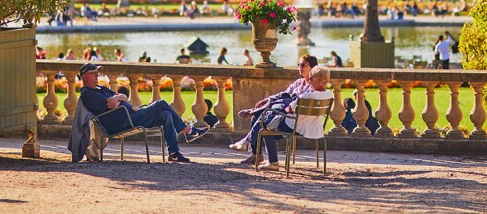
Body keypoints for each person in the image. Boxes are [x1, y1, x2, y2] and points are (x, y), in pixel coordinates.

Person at [78, 63, 207, 163]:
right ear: (85, 76)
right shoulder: (88, 94)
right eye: (93, 73)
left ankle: (173, 153)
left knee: (166, 115)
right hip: (122, 123)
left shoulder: (101, 88)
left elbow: (123, 96)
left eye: (97, 72)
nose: (97, 75)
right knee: (161, 104)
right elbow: (113, 106)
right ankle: (188, 131)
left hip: (131, 116)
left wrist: (117, 98)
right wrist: (118, 100)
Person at [230, 54, 319, 163]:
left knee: (267, 123)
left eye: (303, 65)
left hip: (294, 121)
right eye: (298, 64)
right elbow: (283, 94)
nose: (299, 67)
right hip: (286, 115)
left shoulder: (313, 87)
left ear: (312, 67)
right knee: (261, 115)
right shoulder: (299, 83)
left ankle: (251, 145)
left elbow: (297, 104)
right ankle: (255, 153)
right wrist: (267, 100)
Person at [249, 66, 333, 171]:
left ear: (319, 80)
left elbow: (289, 109)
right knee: (270, 123)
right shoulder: (329, 96)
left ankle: (272, 162)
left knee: (266, 127)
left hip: (295, 126)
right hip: (314, 128)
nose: (309, 81)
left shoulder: (305, 97)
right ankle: (251, 140)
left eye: (311, 78)